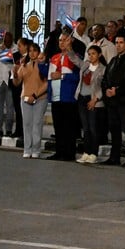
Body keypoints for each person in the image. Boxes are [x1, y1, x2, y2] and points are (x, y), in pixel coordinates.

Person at [100, 34, 125, 167]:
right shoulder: (113, 60)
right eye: (116, 42)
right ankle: (114, 157)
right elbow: (105, 78)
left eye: (121, 42)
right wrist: (106, 90)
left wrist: (117, 91)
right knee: (114, 130)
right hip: (112, 102)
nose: (118, 45)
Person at [46, 28, 82, 161]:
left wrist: (62, 76)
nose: (62, 43)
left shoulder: (75, 57)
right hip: (56, 97)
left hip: (68, 97)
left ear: (71, 41)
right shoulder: (54, 57)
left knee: (69, 127)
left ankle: (69, 153)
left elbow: (79, 77)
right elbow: (49, 76)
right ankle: (59, 151)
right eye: (60, 40)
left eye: (65, 40)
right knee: (58, 127)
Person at [68, 44, 106, 164]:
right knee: (86, 128)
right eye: (89, 54)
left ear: (99, 55)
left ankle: (94, 153)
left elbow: (104, 86)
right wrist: (69, 47)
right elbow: (74, 59)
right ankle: (86, 152)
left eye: (93, 54)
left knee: (93, 128)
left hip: (94, 100)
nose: (91, 56)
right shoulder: (85, 66)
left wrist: (95, 99)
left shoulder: (103, 69)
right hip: (82, 98)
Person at [12, 42, 48, 158]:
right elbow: (17, 83)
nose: (32, 53)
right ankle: (27, 149)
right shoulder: (24, 65)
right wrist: (15, 75)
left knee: (36, 124)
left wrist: (35, 95)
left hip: (40, 98)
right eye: (30, 51)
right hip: (25, 98)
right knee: (27, 124)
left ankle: (36, 149)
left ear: (38, 52)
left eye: (35, 51)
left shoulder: (43, 65)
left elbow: (47, 83)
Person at [0, 30, 17, 138]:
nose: (7, 42)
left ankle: (8, 129)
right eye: (5, 40)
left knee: (10, 107)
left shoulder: (16, 48)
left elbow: (16, 64)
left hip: (10, 81)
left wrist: (8, 52)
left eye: (9, 40)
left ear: (12, 40)